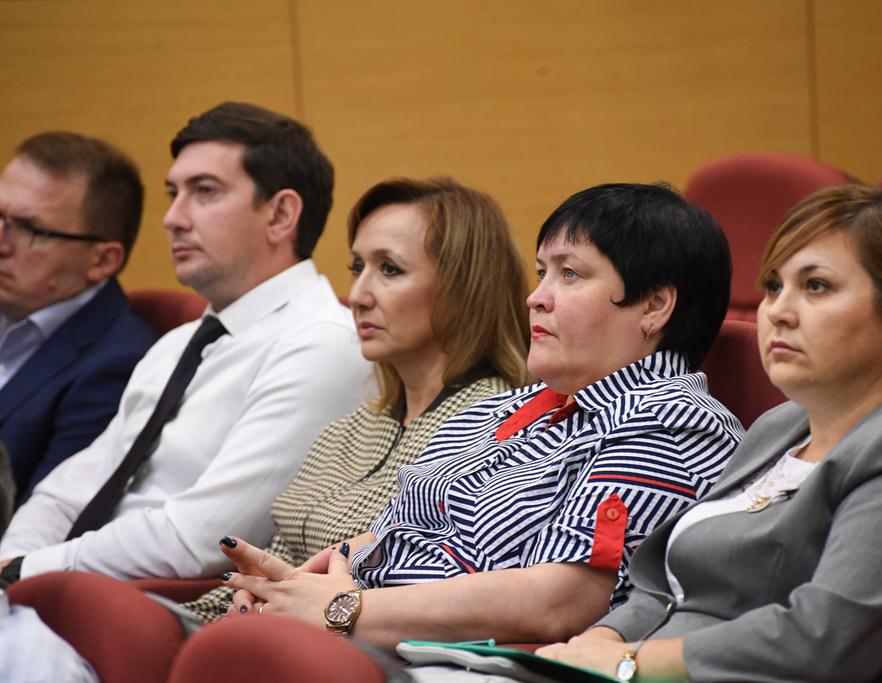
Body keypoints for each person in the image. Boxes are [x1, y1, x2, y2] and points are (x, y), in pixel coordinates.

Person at [211, 182, 742, 651]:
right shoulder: (505, 407)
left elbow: (562, 601)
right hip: (370, 637)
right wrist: (289, 587)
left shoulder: (673, 421)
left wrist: (340, 611)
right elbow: (393, 534)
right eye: (542, 273)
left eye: (570, 274)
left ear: (654, 306)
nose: (536, 298)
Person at [537, 185, 882, 683]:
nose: (779, 312)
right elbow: (667, 587)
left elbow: (819, 641)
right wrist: (604, 638)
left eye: (816, 286)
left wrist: (628, 663)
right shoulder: (780, 426)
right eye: (773, 286)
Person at [0, 102, 370, 584]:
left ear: (280, 214)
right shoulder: (179, 343)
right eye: (174, 193)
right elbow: (64, 493)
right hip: (64, 588)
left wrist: (26, 570)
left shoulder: (322, 346)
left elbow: (202, 541)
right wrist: (11, 563)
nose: (172, 218)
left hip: (169, 606)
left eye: (205, 192)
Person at [183, 176, 531, 620]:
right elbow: (269, 565)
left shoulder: (500, 426)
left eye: (390, 269)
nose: (359, 296)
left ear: (465, 288)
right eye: (357, 268)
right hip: (257, 632)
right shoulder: (352, 426)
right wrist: (205, 616)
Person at [0, 132, 157, 503]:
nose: (2, 243)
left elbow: (44, 517)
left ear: (102, 261)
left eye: (31, 230)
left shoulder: (119, 367)